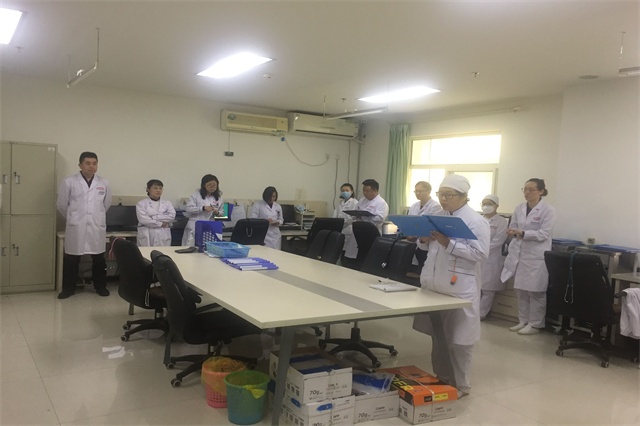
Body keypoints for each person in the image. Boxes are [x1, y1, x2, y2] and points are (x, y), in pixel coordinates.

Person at [412, 174, 489, 397]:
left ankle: (461, 384)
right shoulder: (438, 216)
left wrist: (449, 243)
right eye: (441, 194)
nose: (443, 199)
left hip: (460, 289)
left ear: (464, 196)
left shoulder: (475, 221)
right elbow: (429, 248)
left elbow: (480, 254)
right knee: (439, 336)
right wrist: (424, 240)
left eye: (448, 195)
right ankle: (442, 377)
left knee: (460, 339)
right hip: (436, 285)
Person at [500, 178, 556, 335]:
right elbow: (513, 225)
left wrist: (523, 233)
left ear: (541, 191)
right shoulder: (519, 208)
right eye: (525, 189)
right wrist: (512, 231)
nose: (526, 192)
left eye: (531, 189)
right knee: (521, 291)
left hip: (536, 256)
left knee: (535, 292)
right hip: (519, 254)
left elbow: (543, 234)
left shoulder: (548, 210)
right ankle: (523, 320)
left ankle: (535, 324)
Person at [57, 151, 112, 299]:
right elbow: (62, 205)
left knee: (99, 259)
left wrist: (95, 217)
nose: (91, 166)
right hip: (77, 226)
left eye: (94, 163)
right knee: (72, 259)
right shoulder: (69, 182)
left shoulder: (104, 183)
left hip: (96, 226)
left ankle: (100, 287)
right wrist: (73, 218)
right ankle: (69, 288)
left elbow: (106, 205)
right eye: (87, 163)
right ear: (80, 165)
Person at [342, 179, 389, 268]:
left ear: (375, 191)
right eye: (363, 190)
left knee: (366, 259)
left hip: (370, 233)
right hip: (358, 231)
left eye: (367, 191)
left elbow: (379, 218)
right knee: (352, 259)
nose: (365, 193)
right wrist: (355, 215)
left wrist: (364, 217)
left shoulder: (381, 203)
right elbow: (355, 212)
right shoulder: (362, 200)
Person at [478, 194, 508, 320]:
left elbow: (499, 240)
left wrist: (482, 248)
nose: (486, 206)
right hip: (477, 257)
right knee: (476, 287)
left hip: (492, 258)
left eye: (489, 204)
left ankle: (481, 313)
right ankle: (473, 312)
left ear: (496, 206)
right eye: (484, 204)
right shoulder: (478, 219)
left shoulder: (501, 222)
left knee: (488, 290)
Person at [407, 181, 442, 268]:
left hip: (427, 243)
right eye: (416, 191)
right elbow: (409, 222)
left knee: (424, 266)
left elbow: (430, 227)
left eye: (420, 191)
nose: (417, 193)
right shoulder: (414, 206)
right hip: (414, 241)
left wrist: (415, 233)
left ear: (429, 191)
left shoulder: (435, 206)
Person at [181, 174, 224, 247]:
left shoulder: (220, 197)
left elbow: (224, 214)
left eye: (214, 186)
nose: (212, 188)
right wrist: (202, 208)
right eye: (209, 185)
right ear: (204, 185)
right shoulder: (196, 194)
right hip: (195, 225)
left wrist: (217, 213)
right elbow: (188, 209)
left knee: (207, 247)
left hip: (210, 225)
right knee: (191, 246)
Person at [136, 179, 176, 247]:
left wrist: (153, 217)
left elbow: (172, 216)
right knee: (146, 252)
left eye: (160, 188)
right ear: (148, 189)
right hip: (147, 233)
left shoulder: (167, 203)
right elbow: (144, 220)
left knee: (163, 252)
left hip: (163, 233)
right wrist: (161, 223)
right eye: (155, 188)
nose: (158, 190)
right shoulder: (141, 204)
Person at [332, 183, 358, 257]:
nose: (345, 192)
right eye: (343, 191)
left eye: (347, 190)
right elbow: (335, 214)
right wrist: (334, 223)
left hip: (348, 228)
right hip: (339, 228)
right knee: (337, 248)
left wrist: (341, 224)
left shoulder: (355, 202)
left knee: (345, 250)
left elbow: (352, 217)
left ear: (352, 191)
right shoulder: (340, 203)